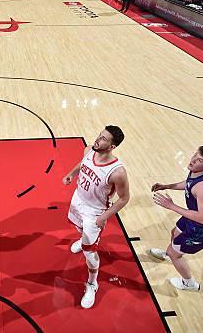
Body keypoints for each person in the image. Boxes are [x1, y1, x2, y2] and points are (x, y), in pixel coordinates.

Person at [62, 125, 130, 309]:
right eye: (100, 135)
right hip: (78, 199)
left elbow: (124, 198)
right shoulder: (89, 150)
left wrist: (104, 217)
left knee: (89, 252)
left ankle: (92, 284)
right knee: (78, 228)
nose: (98, 140)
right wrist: (71, 174)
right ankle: (82, 238)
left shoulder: (117, 172)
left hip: (94, 212)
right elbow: (83, 164)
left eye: (104, 139)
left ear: (112, 146)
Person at [148, 146, 203, 291]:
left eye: (200, 160)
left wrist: (171, 206)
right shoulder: (198, 171)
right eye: (195, 155)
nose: (193, 160)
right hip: (194, 218)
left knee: (175, 254)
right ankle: (171, 253)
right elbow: (189, 184)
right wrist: (166, 186)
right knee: (174, 232)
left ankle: (189, 283)